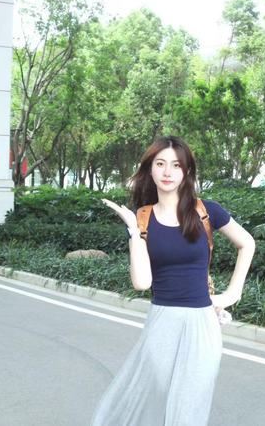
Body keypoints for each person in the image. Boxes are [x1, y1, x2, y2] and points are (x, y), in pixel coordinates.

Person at [93, 135, 255, 426]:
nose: (167, 172)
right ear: (150, 169)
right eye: (160, 164)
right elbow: (142, 282)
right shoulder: (143, 218)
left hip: (202, 324)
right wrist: (133, 232)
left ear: (186, 171)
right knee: (157, 399)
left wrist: (232, 294)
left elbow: (247, 243)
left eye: (176, 165)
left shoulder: (207, 211)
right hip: (162, 323)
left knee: (189, 405)